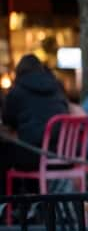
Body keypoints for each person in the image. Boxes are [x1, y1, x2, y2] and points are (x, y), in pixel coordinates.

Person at [1, 55, 68, 194]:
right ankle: (32, 203)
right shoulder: (56, 88)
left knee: (4, 153)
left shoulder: (17, 91)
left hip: (35, 156)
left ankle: (11, 204)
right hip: (62, 155)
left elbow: (8, 120)